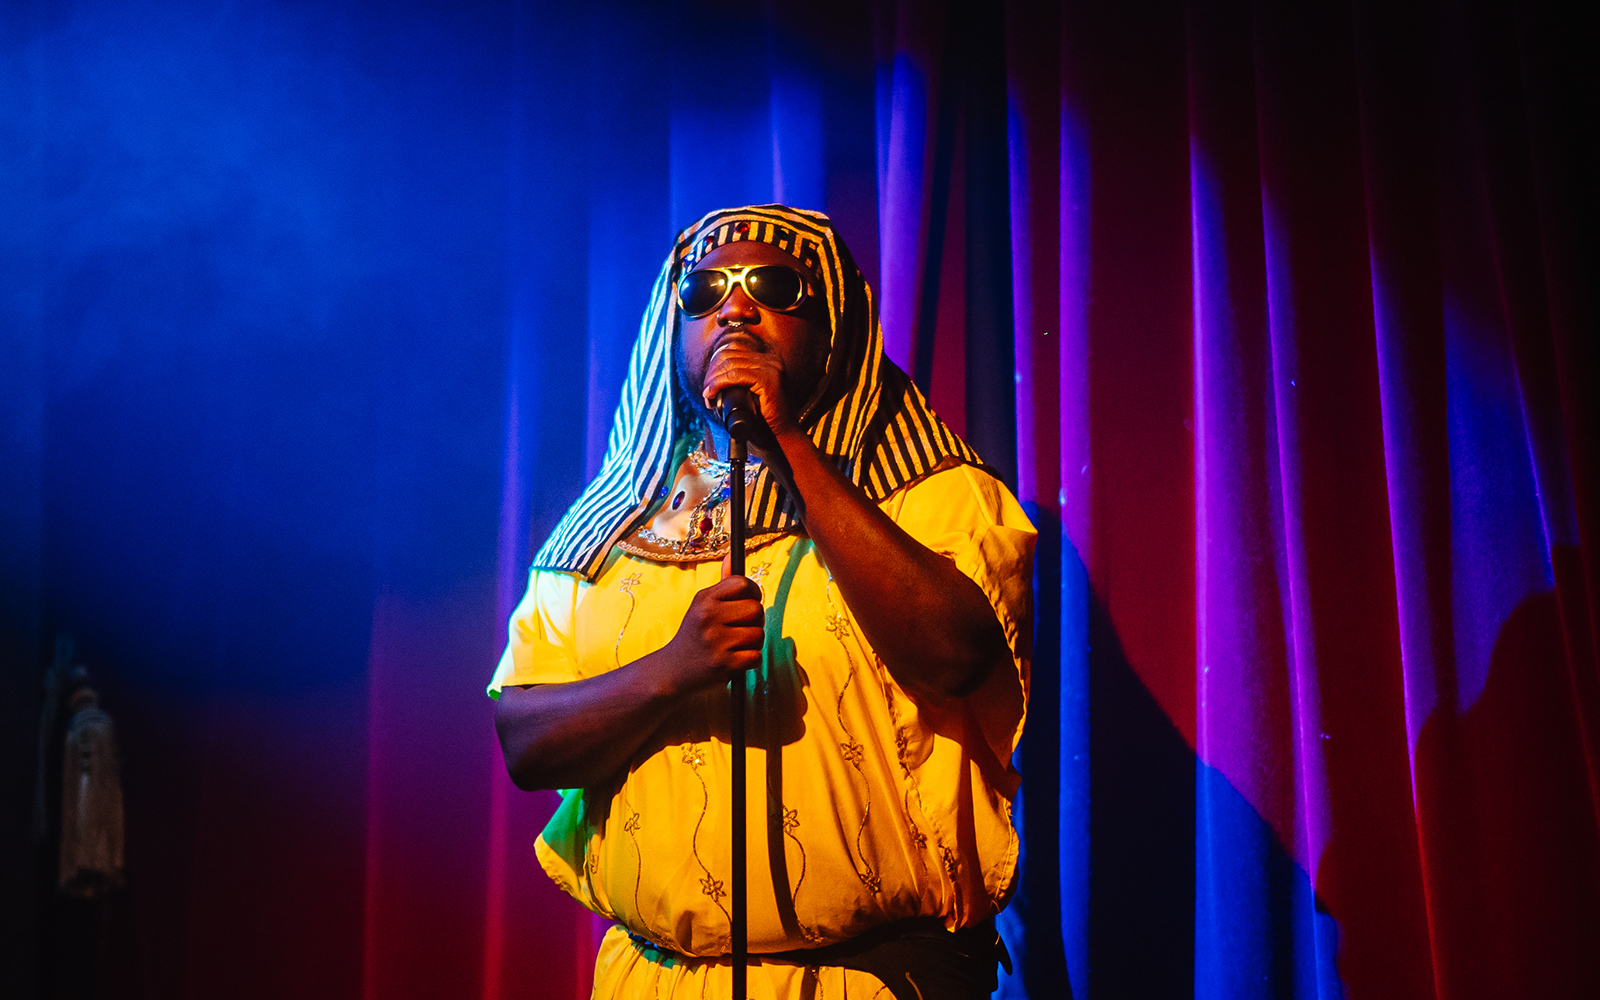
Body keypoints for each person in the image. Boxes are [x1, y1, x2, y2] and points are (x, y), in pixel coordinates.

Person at [491, 205, 1035, 999]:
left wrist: (784, 441)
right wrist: (672, 673)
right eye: (706, 289)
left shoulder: (930, 494)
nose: (734, 307)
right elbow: (524, 744)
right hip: (653, 980)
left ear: (832, 329)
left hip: (865, 981)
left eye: (773, 287)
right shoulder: (607, 527)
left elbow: (957, 657)